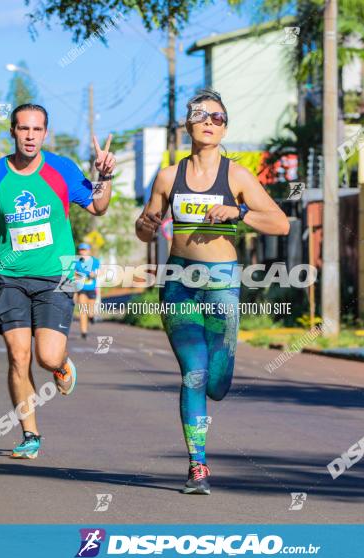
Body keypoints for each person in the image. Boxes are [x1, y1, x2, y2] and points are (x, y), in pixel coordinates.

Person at [135, 89, 289, 495]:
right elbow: (145, 225)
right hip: (180, 281)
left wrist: (238, 211)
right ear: (188, 124)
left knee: (216, 382)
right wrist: (146, 224)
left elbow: (281, 223)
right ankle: (197, 466)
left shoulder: (236, 175)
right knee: (194, 374)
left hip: (221, 282)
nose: (209, 122)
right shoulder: (168, 176)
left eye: (217, 117)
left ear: (225, 126)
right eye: (201, 115)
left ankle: (212, 396)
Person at [0, 103, 116, 459]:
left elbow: (98, 207)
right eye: (23, 128)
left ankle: (61, 365)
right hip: (9, 279)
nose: (30, 136)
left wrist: (105, 177)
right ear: (12, 131)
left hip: (58, 275)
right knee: (18, 356)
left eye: (37, 129)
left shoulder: (61, 169)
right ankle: (30, 434)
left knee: (47, 355)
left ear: (45, 133)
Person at [73, 243, 101, 339]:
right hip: (82, 289)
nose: (82, 252)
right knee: (83, 310)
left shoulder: (95, 261)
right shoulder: (77, 262)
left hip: (92, 289)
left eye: (84, 250)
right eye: (81, 250)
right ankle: (83, 332)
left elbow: (98, 272)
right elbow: (73, 274)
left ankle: (91, 316)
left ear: (89, 251)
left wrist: (94, 274)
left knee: (90, 311)